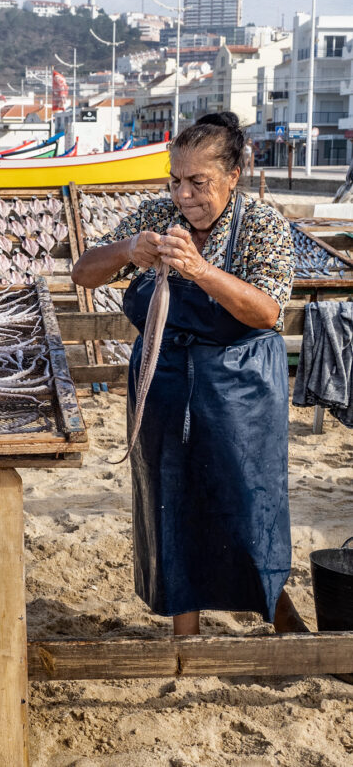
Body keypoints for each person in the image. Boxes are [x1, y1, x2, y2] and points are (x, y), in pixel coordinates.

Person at [71, 112, 306, 636]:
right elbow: (83, 271)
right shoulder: (155, 216)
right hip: (166, 382)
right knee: (171, 499)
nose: (183, 195)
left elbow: (267, 312)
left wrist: (201, 271)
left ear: (232, 176)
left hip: (240, 388)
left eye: (197, 182)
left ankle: (279, 614)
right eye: (175, 181)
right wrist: (128, 250)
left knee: (248, 499)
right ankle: (186, 635)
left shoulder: (262, 225)